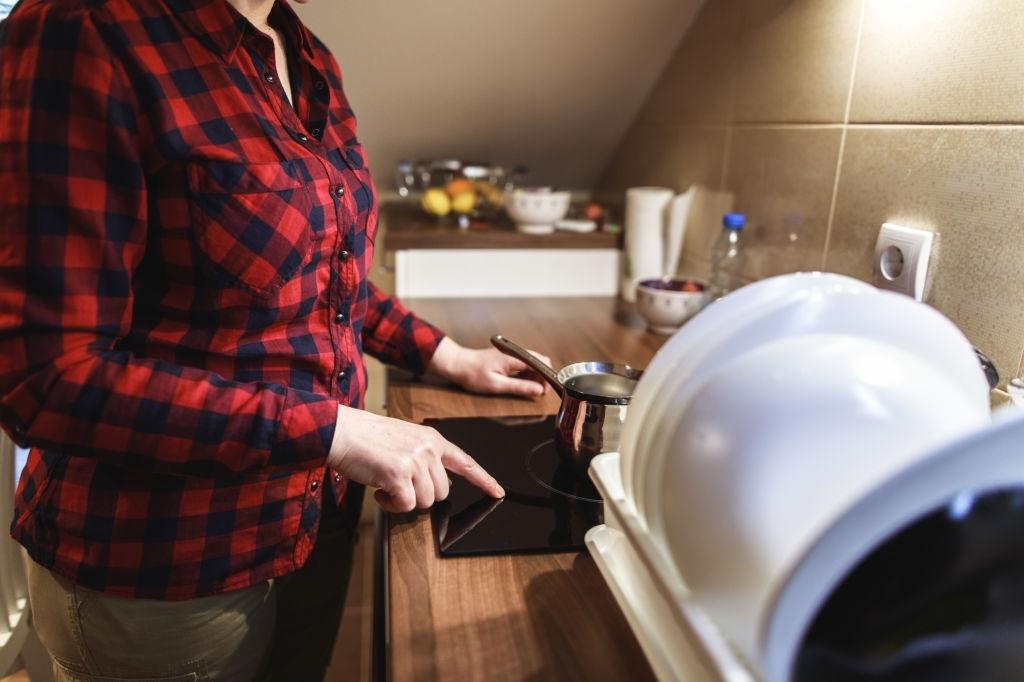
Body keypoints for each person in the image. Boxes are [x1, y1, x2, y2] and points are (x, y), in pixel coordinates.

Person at [0, 0, 548, 679]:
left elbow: (317, 273)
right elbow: (45, 379)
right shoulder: (84, 29)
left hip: (315, 522)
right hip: (168, 561)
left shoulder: (305, 53)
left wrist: (443, 354)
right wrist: (334, 432)